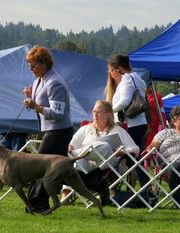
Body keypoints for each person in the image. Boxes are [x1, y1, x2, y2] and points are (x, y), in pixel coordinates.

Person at [23, 45, 73, 213]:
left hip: (58, 132)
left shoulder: (55, 83)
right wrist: (32, 95)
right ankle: (97, 183)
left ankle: (37, 205)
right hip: (49, 130)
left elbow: (58, 114)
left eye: (34, 65)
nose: (31, 69)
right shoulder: (39, 80)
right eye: (29, 65)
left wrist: (35, 105)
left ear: (44, 63)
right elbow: (42, 100)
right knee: (63, 172)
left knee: (40, 168)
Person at [61, 100, 139, 205]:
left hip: (108, 166)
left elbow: (135, 149)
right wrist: (70, 149)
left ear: (108, 115)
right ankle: (66, 194)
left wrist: (121, 152)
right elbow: (71, 146)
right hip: (87, 167)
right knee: (75, 161)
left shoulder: (118, 130)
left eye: (98, 112)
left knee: (106, 146)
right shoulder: (85, 129)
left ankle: (84, 153)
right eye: (94, 112)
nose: (95, 114)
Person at [105, 54, 149, 187]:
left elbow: (125, 101)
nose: (111, 75)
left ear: (117, 69)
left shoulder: (128, 79)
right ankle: (142, 189)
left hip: (133, 124)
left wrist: (108, 110)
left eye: (111, 71)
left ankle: (148, 190)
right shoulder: (138, 78)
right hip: (139, 123)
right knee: (133, 159)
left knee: (134, 158)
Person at [143, 106, 180, 208]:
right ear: (173, 121)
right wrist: (149, 150)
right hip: (172, 164)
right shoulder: (165, 133)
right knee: (176, 169)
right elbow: (152, 146)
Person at [144, 83, 167, 148]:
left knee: (151, 144)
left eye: (147, 87)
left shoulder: (156, 97)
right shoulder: (147, 97)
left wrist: (163, 125)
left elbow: (161, 113)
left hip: (154, 126)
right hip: (149, 125)